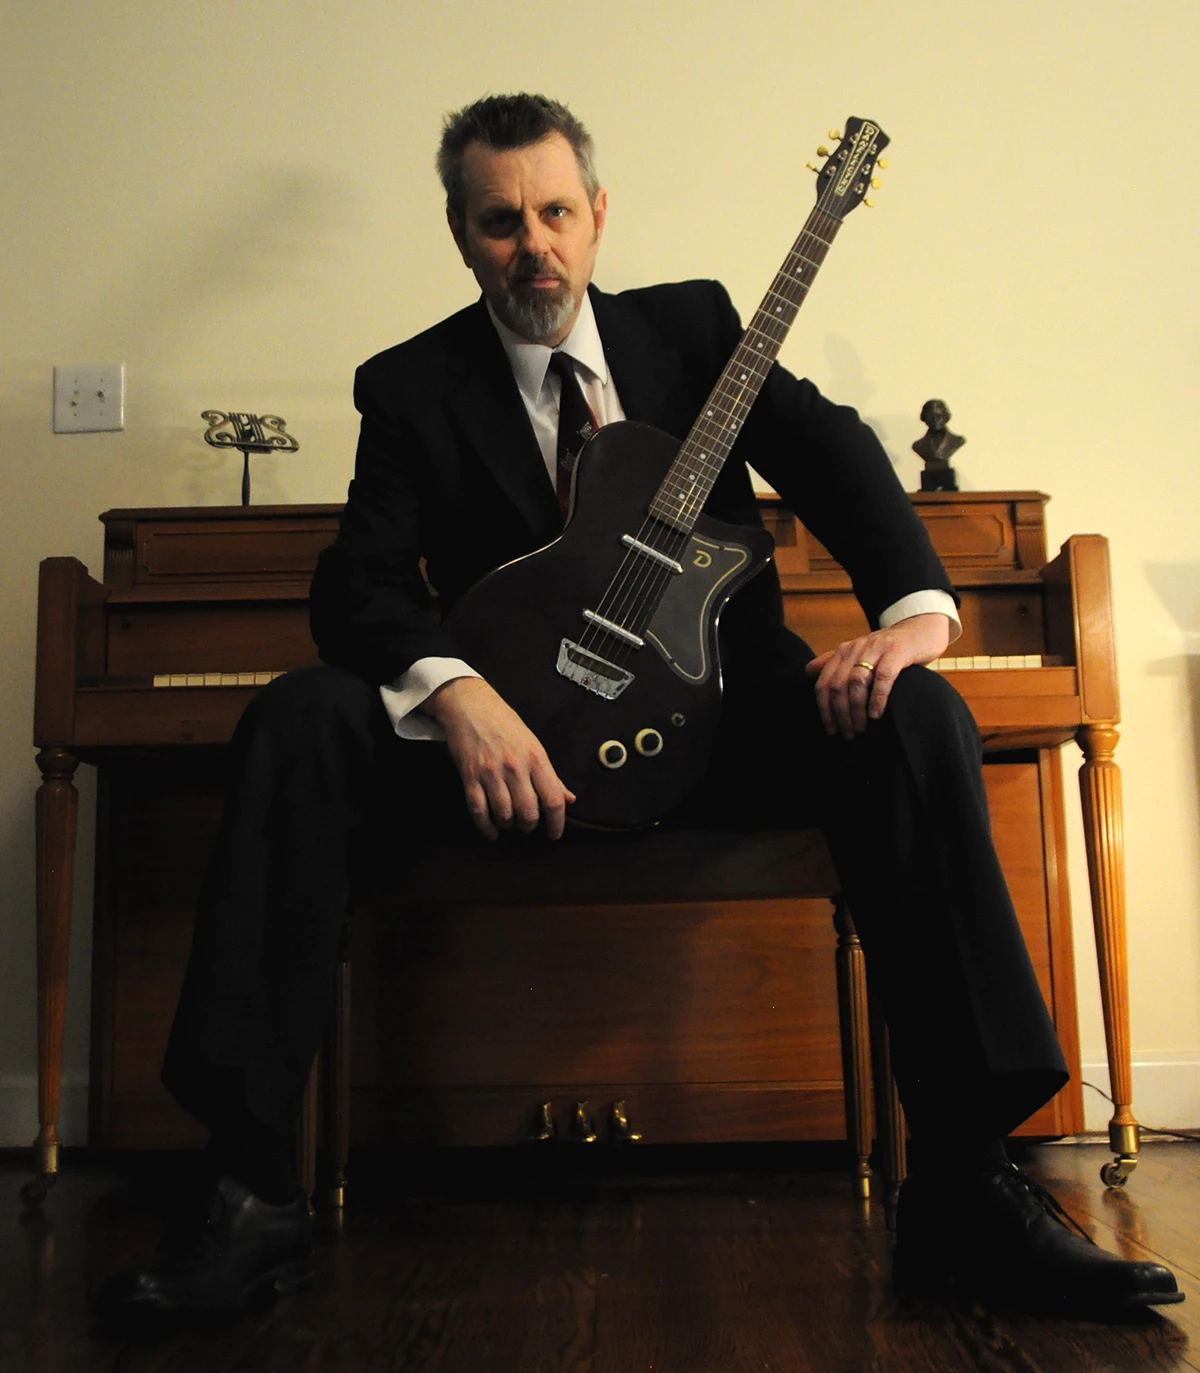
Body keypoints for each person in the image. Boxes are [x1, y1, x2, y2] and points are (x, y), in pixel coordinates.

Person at [99, 93, 1181, 1322]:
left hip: (726, 725)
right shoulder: (410, 385)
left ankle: (971, 1187)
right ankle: (249, 1194)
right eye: (501, 221)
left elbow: (833, 454)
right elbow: (357, 584)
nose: (535, 246)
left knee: (917, 717)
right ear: (461, 234)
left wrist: (918, 618)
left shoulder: (699, 328)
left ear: (598, 216)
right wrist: (459, 697)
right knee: (297, 719)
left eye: (556, 213)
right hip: (508, 755)